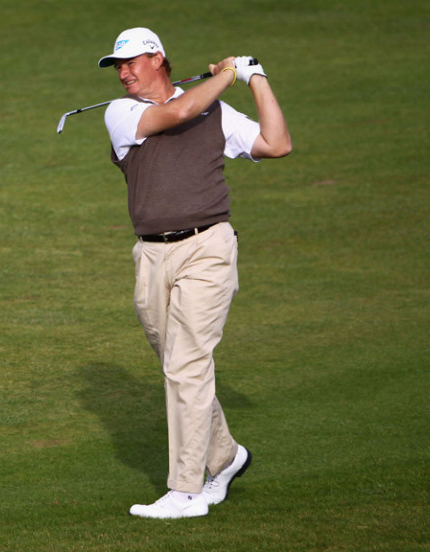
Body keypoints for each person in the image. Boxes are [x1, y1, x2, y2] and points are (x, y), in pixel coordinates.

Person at [96, 27, 292, 519]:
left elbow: (276, 144)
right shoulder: (121, 112)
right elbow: (179, 112)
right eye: (117, 66)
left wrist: (255, 78)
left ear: (158, 58)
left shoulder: (216, 111)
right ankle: (225, 457)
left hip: (208, 248)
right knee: (180, 368)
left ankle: (185, 491)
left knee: (186, 367)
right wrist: (228, 73)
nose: (123, 73)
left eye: (131, 62)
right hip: (151, 257)